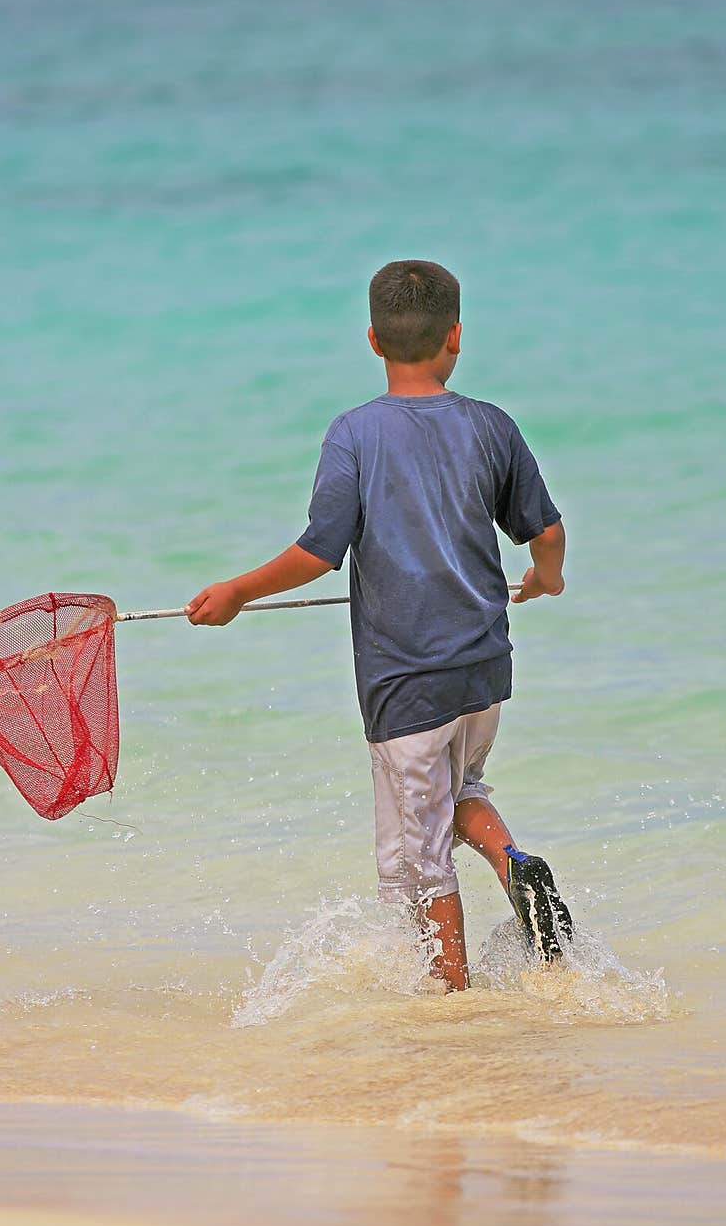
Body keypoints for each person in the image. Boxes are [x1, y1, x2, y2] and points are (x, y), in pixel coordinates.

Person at [186, 259, 573, 991]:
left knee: (417, 859)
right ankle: (512, 861)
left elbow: (318, 552)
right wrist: (544, 581)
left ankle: (450, 1006)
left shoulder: (353, 434)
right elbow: (546, 533)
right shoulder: (492, 425)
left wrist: (238, 590)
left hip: (406, 682)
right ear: (456, 336)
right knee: (460, 788)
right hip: (485, 671)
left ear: (372, 339)